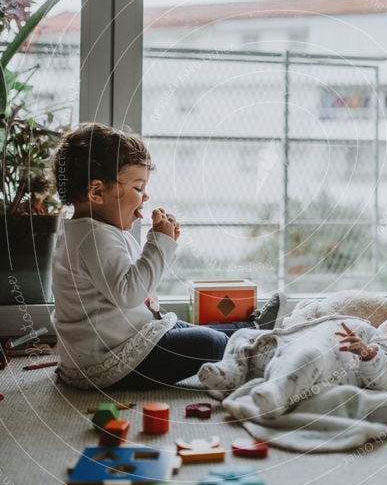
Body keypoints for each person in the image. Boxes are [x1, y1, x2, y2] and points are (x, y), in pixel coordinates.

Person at [51, 122, 266, 390]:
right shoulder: (94, 237)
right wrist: (159, 244)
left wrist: (162, 246)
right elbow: (129, 292)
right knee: (208, 343)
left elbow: (134, 283)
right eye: (138, 188)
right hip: (111, 362)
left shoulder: (87, 231)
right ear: (97, 192)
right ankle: (257, 346)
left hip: (127, 341)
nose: (146, 196)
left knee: (185, 329)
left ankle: (250, 329)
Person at [199, 315, 387, 417]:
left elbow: (383, 379)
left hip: (312, 362)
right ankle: (232, 372)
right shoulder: (370, 333)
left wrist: (367, 353)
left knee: (309, 355)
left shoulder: (386, 349)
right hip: (278, 347)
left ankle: (277, 393)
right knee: (242, 335)